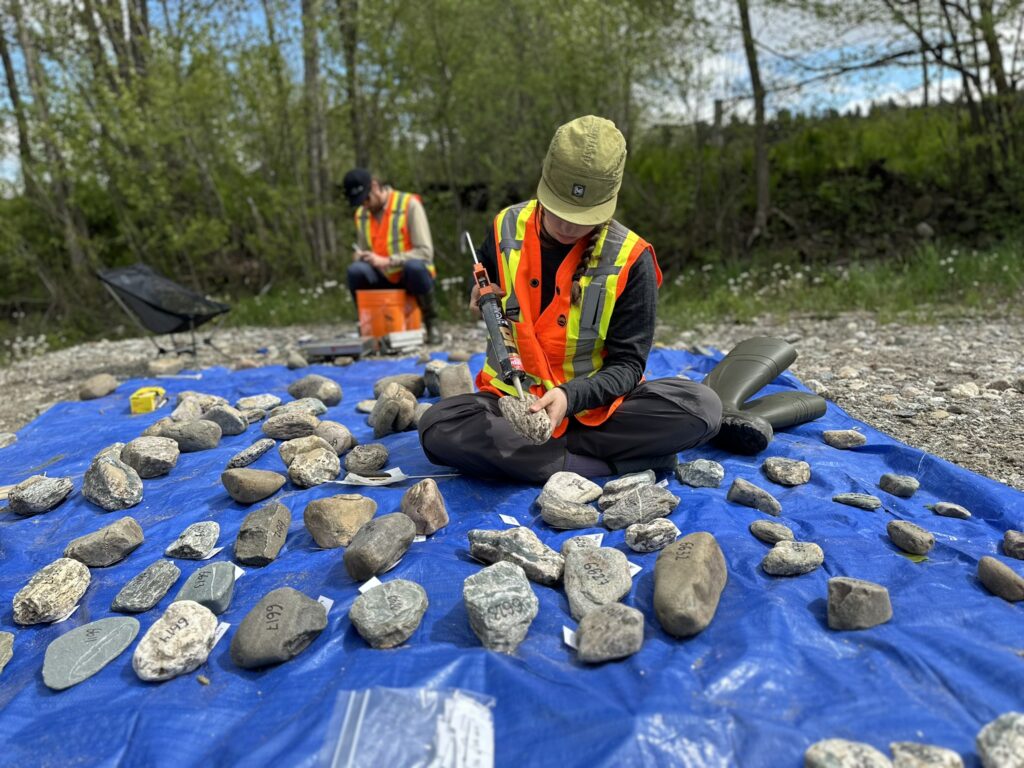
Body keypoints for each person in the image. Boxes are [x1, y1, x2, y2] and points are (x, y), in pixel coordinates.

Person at [417, 115, 724, 483]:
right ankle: (604, 464)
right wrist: (478, 293)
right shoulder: (505, 227)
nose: (567, 227)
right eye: (560, 210)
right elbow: (487, 279)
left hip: (595, 409)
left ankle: (542, 460)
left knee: (701, 407)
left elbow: (628, 366)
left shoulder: (631, 258)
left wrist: (568, 398)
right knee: (437, 426)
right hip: (513, 406)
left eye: (582, 218)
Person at [342, 169, 443, 345]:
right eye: (360, 202)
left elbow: (425, 252)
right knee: (356, 271)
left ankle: (432, 322)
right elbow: (364, 248)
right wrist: (361, 256)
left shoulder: (409, 205)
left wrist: (388, 261)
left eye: (366, 199)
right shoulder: (361, 214)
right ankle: (367, 324)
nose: (364, 205)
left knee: (416, 268)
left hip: (408, 275)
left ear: (375, 187)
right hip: (381, 276)